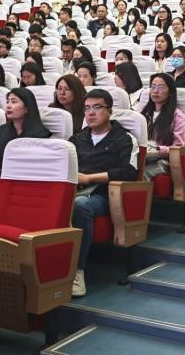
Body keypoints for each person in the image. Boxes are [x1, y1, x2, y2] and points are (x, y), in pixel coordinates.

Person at [69, 88, 138, 297]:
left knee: (81, 206)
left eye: (97, 107)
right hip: (74, 190)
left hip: (105, 195)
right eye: (87, 108)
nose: (90, 113)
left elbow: (129, 172)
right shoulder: (77, 139)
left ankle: (77, 271)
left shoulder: (124, 138)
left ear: (109, 111)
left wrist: (90, 178)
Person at [0, 88, 51, 177]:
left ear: (27, 108)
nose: (8, 106)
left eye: (14, 102)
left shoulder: (42, 135)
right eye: (7, 102)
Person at [141, 73, 185, 179]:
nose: (155, 91)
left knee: (140, 173)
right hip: (143, 154)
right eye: (153, 87)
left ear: (170, 92)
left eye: (161, 87)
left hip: (162, 160)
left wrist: (159, 150)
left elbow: (178, 147)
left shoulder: (177, 116)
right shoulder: (143, 114)